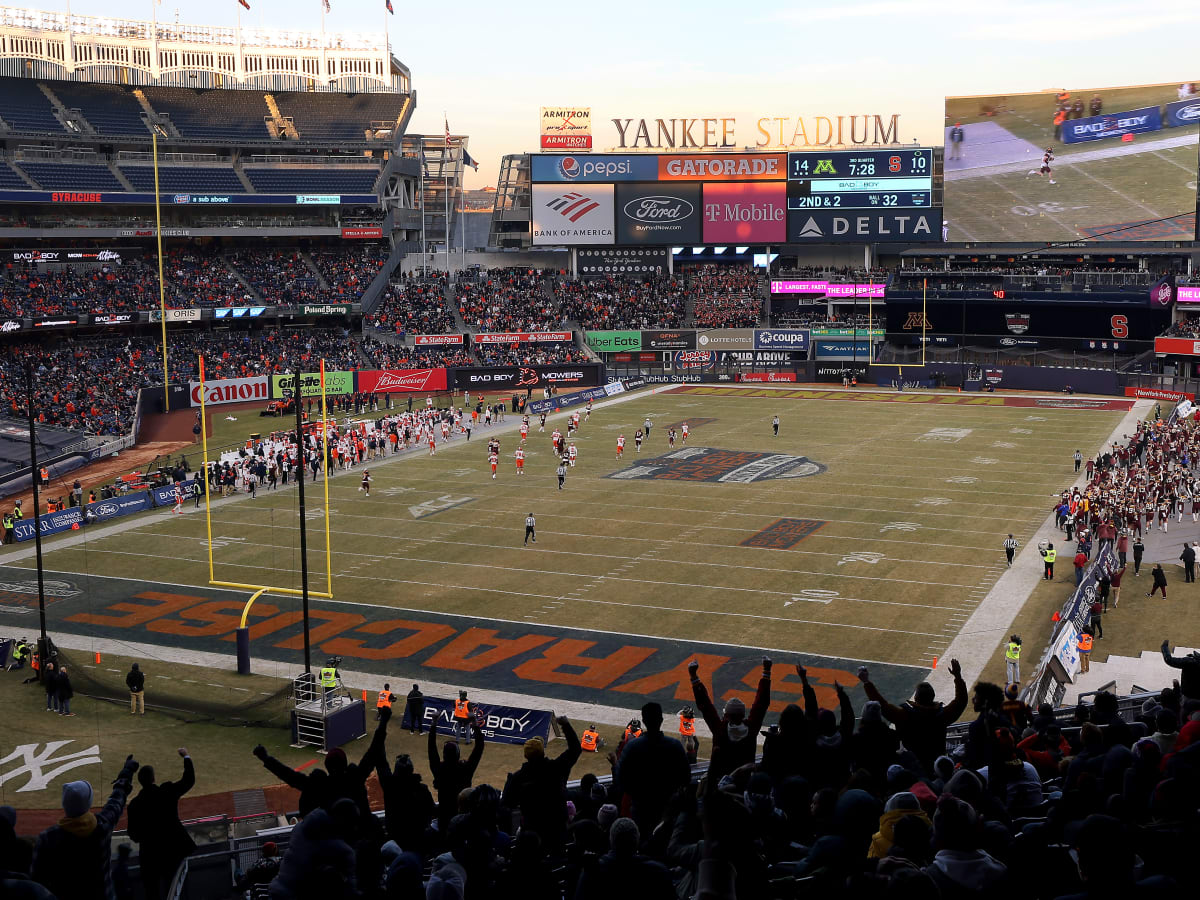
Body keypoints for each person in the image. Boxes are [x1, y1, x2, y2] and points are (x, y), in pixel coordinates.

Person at [31, 756, 139, 900]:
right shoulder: (103, 826)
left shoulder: (48, 837)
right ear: (88, 804)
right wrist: (127, 771)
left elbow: (37, 877)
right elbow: (117, 799)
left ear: (65, 805)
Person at [859, 658, 968, 773]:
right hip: (937, 765)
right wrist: (958, 677)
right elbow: (961, 701)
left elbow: (882, 706)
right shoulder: (942, 715)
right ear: (933, 697)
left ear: (915, 698)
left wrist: (866, 682)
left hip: (912, 765)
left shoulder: (904, 716)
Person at [502, 716, 582, 851]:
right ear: (543, 752)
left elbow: (507, 803)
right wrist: (565, 725)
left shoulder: (518, 778)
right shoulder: (556, 768)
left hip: (532, 830)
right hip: (557, 828)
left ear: (526, 755)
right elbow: (575, 749)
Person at [126, 748, 196, 900]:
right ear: (153, 778)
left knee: (152, 893)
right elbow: (189, 780)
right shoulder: (166, 791)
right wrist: (186, 757)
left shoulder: (135, 805)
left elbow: (133, 834)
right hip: (171, 852)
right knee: (175, 889)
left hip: (149, 856)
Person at [613, 702, 691, 837]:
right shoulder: (675, 746)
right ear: (661, 719)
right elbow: (686, 778)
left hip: (640, 808)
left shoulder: (632, 747)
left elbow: (621, 780)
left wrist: (637, 793)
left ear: (643, 720)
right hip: (668, 808)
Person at [688, 657, 771, 781]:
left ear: (726, 715)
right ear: (743, 715)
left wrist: (694, 676)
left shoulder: (720, 730)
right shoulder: (751, 728)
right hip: (744, 783)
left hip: (720, 783)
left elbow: (705, 706)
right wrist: (766, 671)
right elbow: (761, 704)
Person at [427, 712, 484, 835]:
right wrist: (474, 723)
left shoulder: (439, 769)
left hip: (444, 819)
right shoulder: (466, 769)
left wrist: (434, 723)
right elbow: (479, 747)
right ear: (458, 755)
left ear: (444, 755)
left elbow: (431, 750)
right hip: (464, 819)